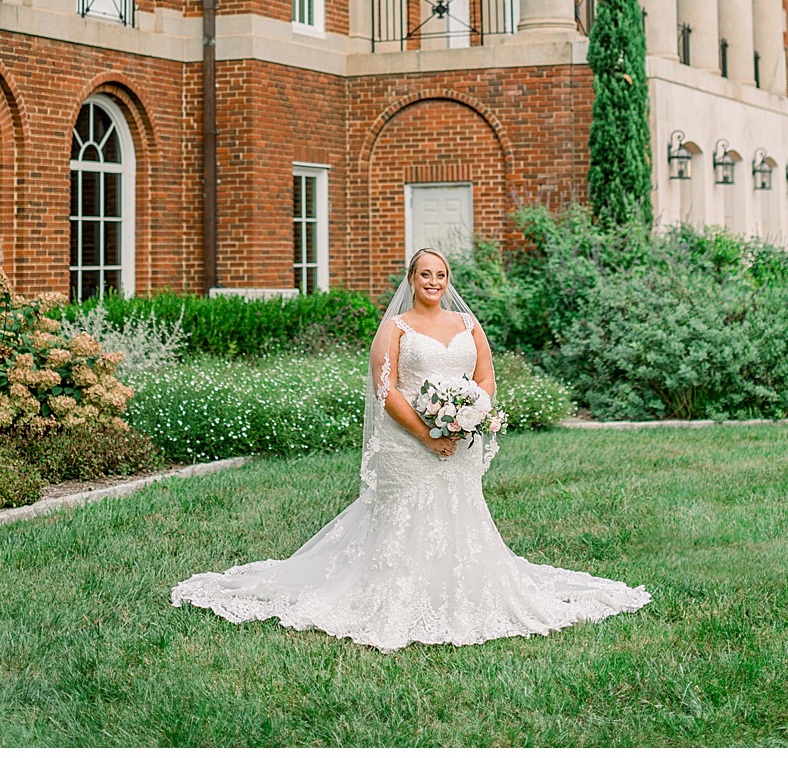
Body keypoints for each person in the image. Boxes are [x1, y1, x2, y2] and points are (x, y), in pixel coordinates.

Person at [171, 248, 650, 652]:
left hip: (459, 441)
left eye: (441, 275)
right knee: (406, 518)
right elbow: (386, 391)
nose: (434, 281)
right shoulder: (396, 327)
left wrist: (468, 415)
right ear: (411, 279)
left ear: (448, 280)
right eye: (426, 274)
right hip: (408, 443)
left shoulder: (467, 323)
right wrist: (427, 432)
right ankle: (397, 595)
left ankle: (461, 591)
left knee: (461, 515)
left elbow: (485, 377)